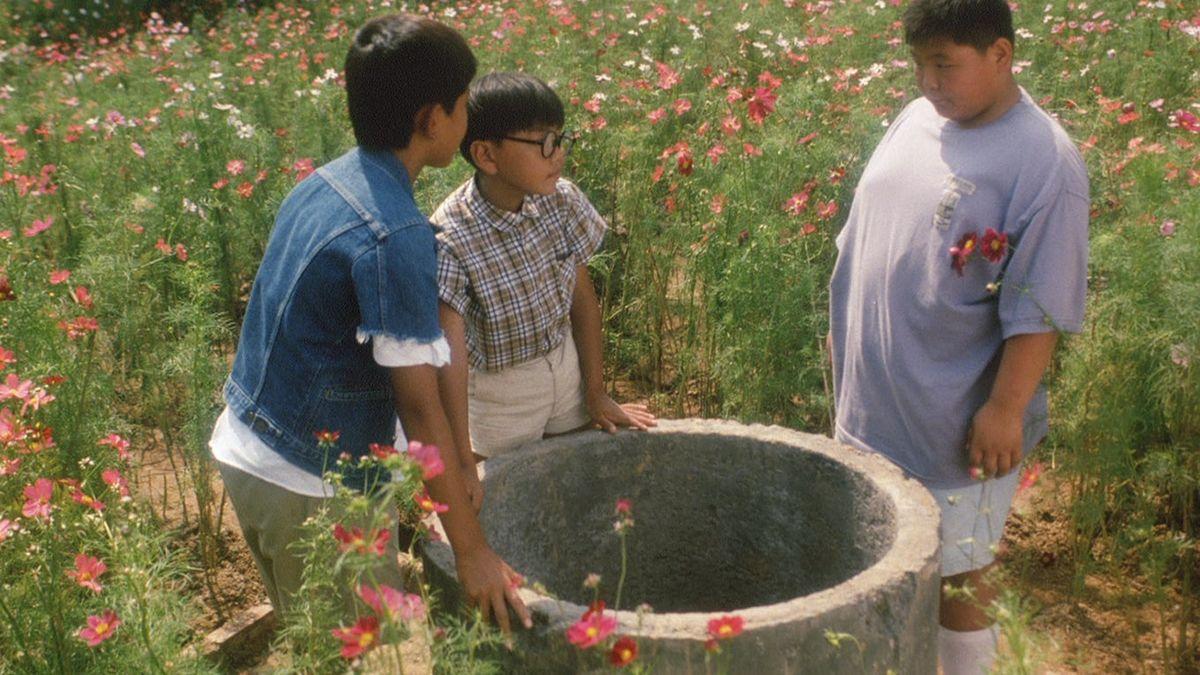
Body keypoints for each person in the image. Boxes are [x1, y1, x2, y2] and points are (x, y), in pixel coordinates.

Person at [209, 14, 531, 634]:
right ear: (432, 120)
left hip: (249, 445)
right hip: (309, 485)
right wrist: (473, 552)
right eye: (463, 105)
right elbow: (419, 405)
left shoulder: (326, 181)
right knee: (359, 650)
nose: (467, 121)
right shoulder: (397, 234)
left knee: (317, 642)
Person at [827, 1, 1088, 673]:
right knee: (877, 549)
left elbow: (1043, 303)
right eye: (919, 65)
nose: (928, 82)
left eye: (945, 65)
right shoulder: (920, 119)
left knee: (959, 567)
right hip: (876, 399)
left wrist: (1004, 407)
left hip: (954, 418)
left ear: (1000, 54)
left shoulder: (1043, 161)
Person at [431, 72, 656, 483]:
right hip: (500, 394)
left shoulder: (561, 200)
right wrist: (461, 458)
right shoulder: (451, 237)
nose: (559, 155)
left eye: (561, 138)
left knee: (573, 477)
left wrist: (596, 391)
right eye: (544, 143)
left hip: (564, 364)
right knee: (504, 493)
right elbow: (452, 358)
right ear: (487, 156)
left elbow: (582, 299)